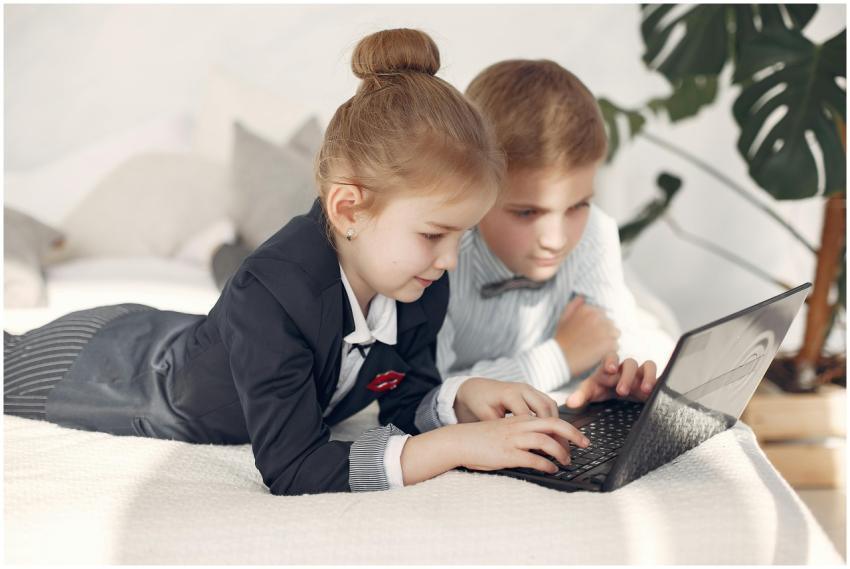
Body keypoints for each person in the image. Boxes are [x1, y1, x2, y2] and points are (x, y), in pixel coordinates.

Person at [3, 30, 592, 496]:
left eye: (460, 236)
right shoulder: (274, 290)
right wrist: (460, 447)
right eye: (436, 233)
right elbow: (292, 467)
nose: (451, 259)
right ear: (348, 208)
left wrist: (462, 400)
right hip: (115, 370)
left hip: (191, 338)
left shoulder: (418, 278)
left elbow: (403, 391)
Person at [437, 59, 676, 410]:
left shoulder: (594, 231)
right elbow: (429, 395)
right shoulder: (440, 255)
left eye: (578, 206)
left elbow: (612, 336)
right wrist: (560, 357)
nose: (556, 239)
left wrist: (623, 371)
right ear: (472, 189)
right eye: (527, 213)